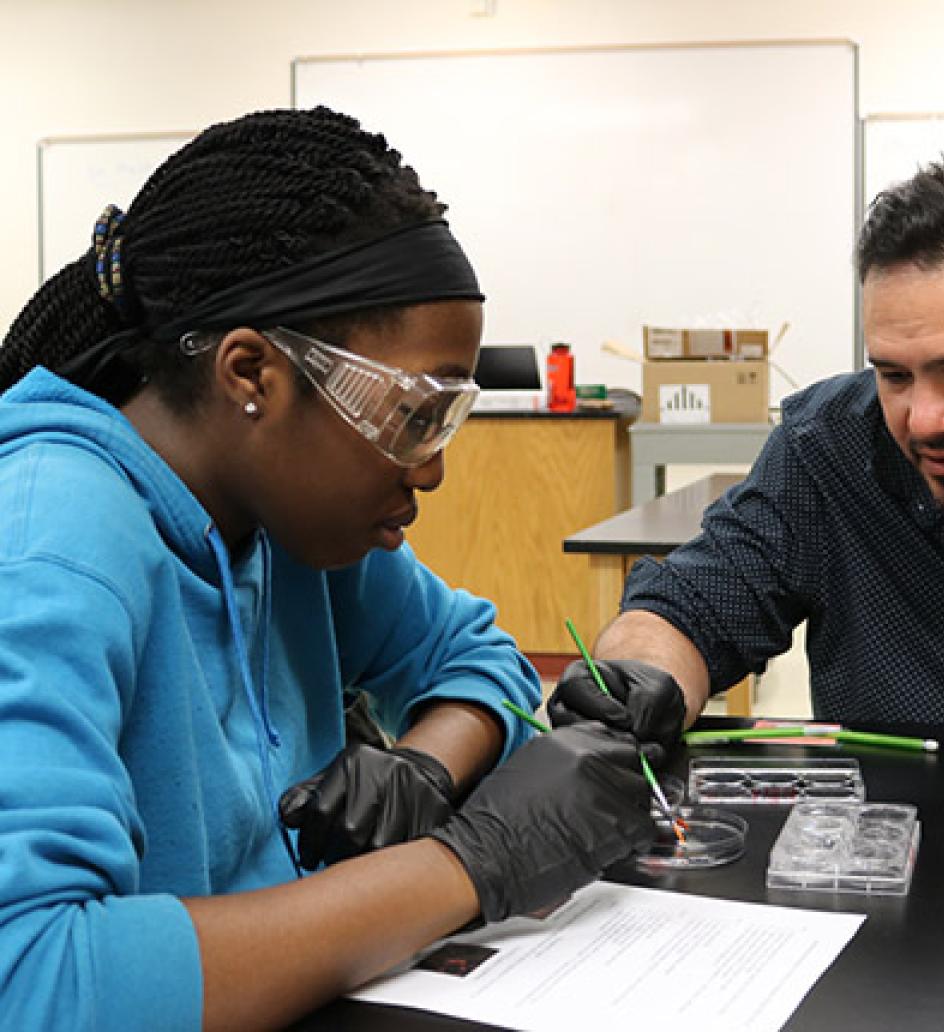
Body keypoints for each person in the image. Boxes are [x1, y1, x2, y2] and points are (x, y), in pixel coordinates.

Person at [0, 106, 654, 1030]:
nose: (429, 468)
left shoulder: (285, 526)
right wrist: (469, 865)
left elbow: (482, 660)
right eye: (411, 416)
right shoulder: (52, 543)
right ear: (251, 376)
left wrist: (424, 769)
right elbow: (33, 982)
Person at [549, 152, 944, 745]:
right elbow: (692, 611)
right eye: (893, 374)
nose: (922, 420)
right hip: (900, 867)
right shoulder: (830, 450)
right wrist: (635, 678)